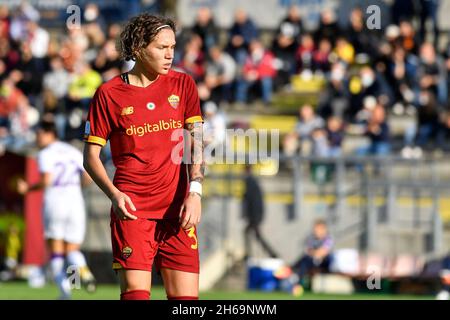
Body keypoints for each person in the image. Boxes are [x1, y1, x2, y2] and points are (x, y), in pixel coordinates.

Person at [83, 14, 204, 301]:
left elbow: (195, 143)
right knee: (137, 296)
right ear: (138, 49)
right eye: (162, 47)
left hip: (178, 213)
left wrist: (196, 191)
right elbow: (90, 157)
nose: (170, 54)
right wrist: (114, 195)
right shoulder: (109, 94)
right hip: (133, 212)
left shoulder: (184, 85)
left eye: (172, 46)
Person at [17, 118, 96, 299]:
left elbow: (47, 180)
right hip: (75, 202)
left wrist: (27, 189)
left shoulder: (46, 153)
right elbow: (89, 176)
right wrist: (76, 188)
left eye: (39, 134)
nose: (37, 138)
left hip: (55, 203)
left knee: (57, 252)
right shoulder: (72, 151)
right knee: (73, 250)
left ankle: (65, 294)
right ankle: (79, 278)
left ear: (49, 134)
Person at [242, 165, 278, 260]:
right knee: (252, 234)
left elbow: (252, 201)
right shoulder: (252, 182)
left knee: (254, 234)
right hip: (256, 215)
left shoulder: (250, 182)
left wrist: (252, 216)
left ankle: (271, 254)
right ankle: (270, 254)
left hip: (255, 215)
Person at [291, 219, 333, 294]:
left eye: (318, 229)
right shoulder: (311, 238)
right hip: (311, 261)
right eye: (315, 229)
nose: (315, 231)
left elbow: (323, 252)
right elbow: (308, 251)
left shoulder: (328, 238)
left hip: (325, 262)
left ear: (323, 229)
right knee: (305, 259)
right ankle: (295, 278)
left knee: (306, 259)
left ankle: (292, 271)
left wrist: (315, 253)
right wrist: (315, 253)